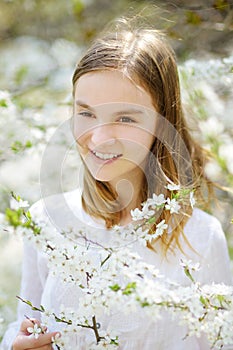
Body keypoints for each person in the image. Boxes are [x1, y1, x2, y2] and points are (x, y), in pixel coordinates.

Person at [1, 17, 232, 350]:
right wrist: (16, 344)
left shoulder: (200, 238)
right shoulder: (45, 220)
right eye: (86, 113)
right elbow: (26, 324)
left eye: (125, 118)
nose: (99, 138)